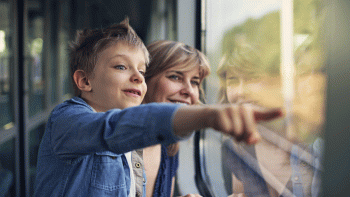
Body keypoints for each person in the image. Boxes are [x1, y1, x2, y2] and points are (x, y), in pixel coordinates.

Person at [33, 18, 282, 197]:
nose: (137, 77)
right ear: (85, 81)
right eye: (121, 67)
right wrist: (206, 114)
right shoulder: (68, 120)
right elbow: (112, 129)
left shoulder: (151, 149)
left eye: (141, 71)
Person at [217, 40, 324, 197]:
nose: (240, 91)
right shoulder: (234, 148)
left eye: (251, 78)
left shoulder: (310, 138)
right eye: (233, 80)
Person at [142, 40, 210, 197]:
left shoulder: (170, 148)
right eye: (175, 77)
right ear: (143, 79)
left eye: (194, 82)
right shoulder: (112, 145)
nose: (189, 91)